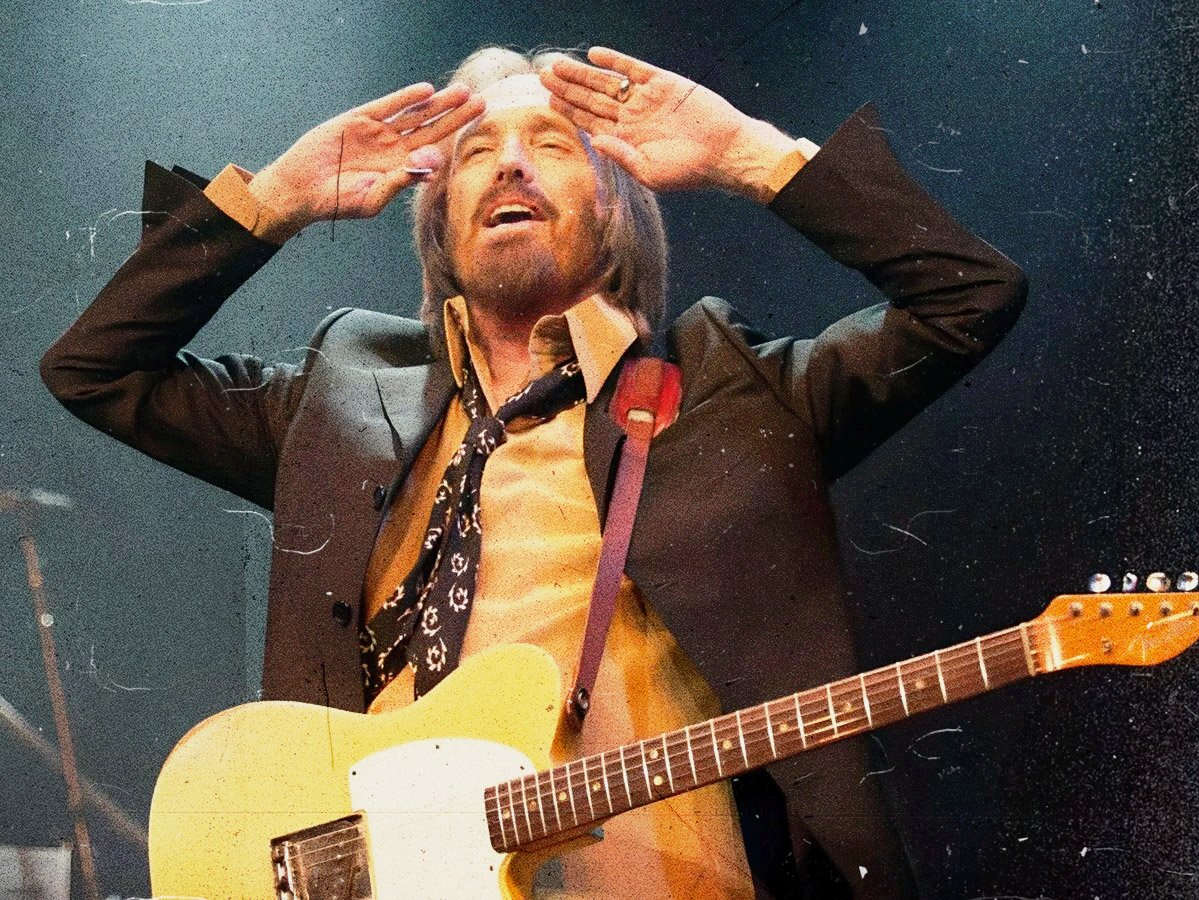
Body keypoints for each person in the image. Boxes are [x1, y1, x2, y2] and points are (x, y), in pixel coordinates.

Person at [40, 44, 1026, 899]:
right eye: (475, 151)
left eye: (552, 143)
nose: (510, 161)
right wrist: (275, 201)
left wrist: (745, 154)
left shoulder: (729, 391)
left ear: (617, 205)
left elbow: (969, 299)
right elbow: (95, 371)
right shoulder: (341, 395)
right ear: (438, 221)